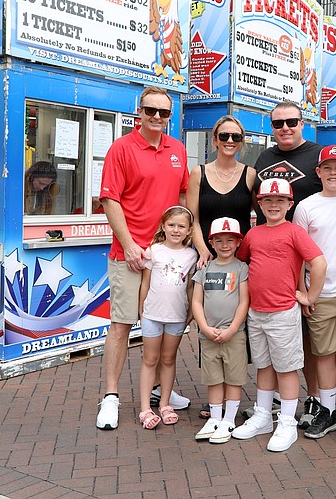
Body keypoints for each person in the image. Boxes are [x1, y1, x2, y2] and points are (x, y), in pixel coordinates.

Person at [253, 100, 336, 428]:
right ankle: (273, 403)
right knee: (283, 339)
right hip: (274, 266)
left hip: (310, 267)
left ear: (303, 123)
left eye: (291, 122)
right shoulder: (265, 158)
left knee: (313, 343)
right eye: (278, 123)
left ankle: (314, 400)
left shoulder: (318, 154)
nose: (285, 128)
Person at [96, 86, 191, 431]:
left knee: (165, 327)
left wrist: (187, 243)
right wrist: (132, 245)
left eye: (163, 113)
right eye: (150, 110)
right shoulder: (121, 149)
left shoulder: (178, 150)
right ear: (140, 112)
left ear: (170, 116)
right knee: (121, 326)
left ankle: (158, 392)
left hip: (166, 259)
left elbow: (182, 198)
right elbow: (110, 201)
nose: (156, 117)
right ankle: (110, 397)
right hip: (129, 256)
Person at [231, 178, 326, 452]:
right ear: (259, 204)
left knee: (286, 368)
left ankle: (287, 422)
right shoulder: (253, 234)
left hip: (283, 311)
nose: (274, 205)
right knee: (263, 365)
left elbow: (318, 262)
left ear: (289, 204)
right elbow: (246, 263)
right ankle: (262, 415)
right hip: (256, 311)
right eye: (268, 200)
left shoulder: (294, 232)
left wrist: (310, 295)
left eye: (280, 201)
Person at [292, 146, 336, 443]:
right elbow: (297, 253)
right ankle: (328, 410)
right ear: (318, 172)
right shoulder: (306, 206)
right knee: (322, 354)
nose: (334, 173)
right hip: (318, 293)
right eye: (327, 168)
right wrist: (304, 291)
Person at [136, 206, 198, 428]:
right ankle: (145, 408)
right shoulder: (153, 251)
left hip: (177, 316)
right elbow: (145, 284)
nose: (176, 230)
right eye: (171, 225)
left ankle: (164, 404)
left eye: (181, 226)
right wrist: (142, 312)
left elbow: (190, 286)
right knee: (150, 360)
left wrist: (191, 312)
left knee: (169, 359)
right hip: (153, 314)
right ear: (164, 226)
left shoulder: (191, 255)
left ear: (189, 230)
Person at [191, 217, 249, 444]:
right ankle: (215, 418)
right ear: (211, 243)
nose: (225, 245)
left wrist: (233, 329)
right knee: (213, 378)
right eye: (219, 240)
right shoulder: (205, 269)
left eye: (230, 240)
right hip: (209, 336)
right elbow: (197, 301)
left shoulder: (242, 268)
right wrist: (204, 328)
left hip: (233, 334)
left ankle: (229, 419)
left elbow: (244, 301)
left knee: (233, 378)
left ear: (237, 243)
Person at [188, 115, 257, 268]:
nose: (230, 141)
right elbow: (193, 221)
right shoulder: (198, 174)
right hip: (208, 259)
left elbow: (261, 217)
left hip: (242, 260)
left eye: (236, 137)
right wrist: (203, 250)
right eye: (224, 136)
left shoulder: (250, 175)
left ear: (241, 142)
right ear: (215, 140)